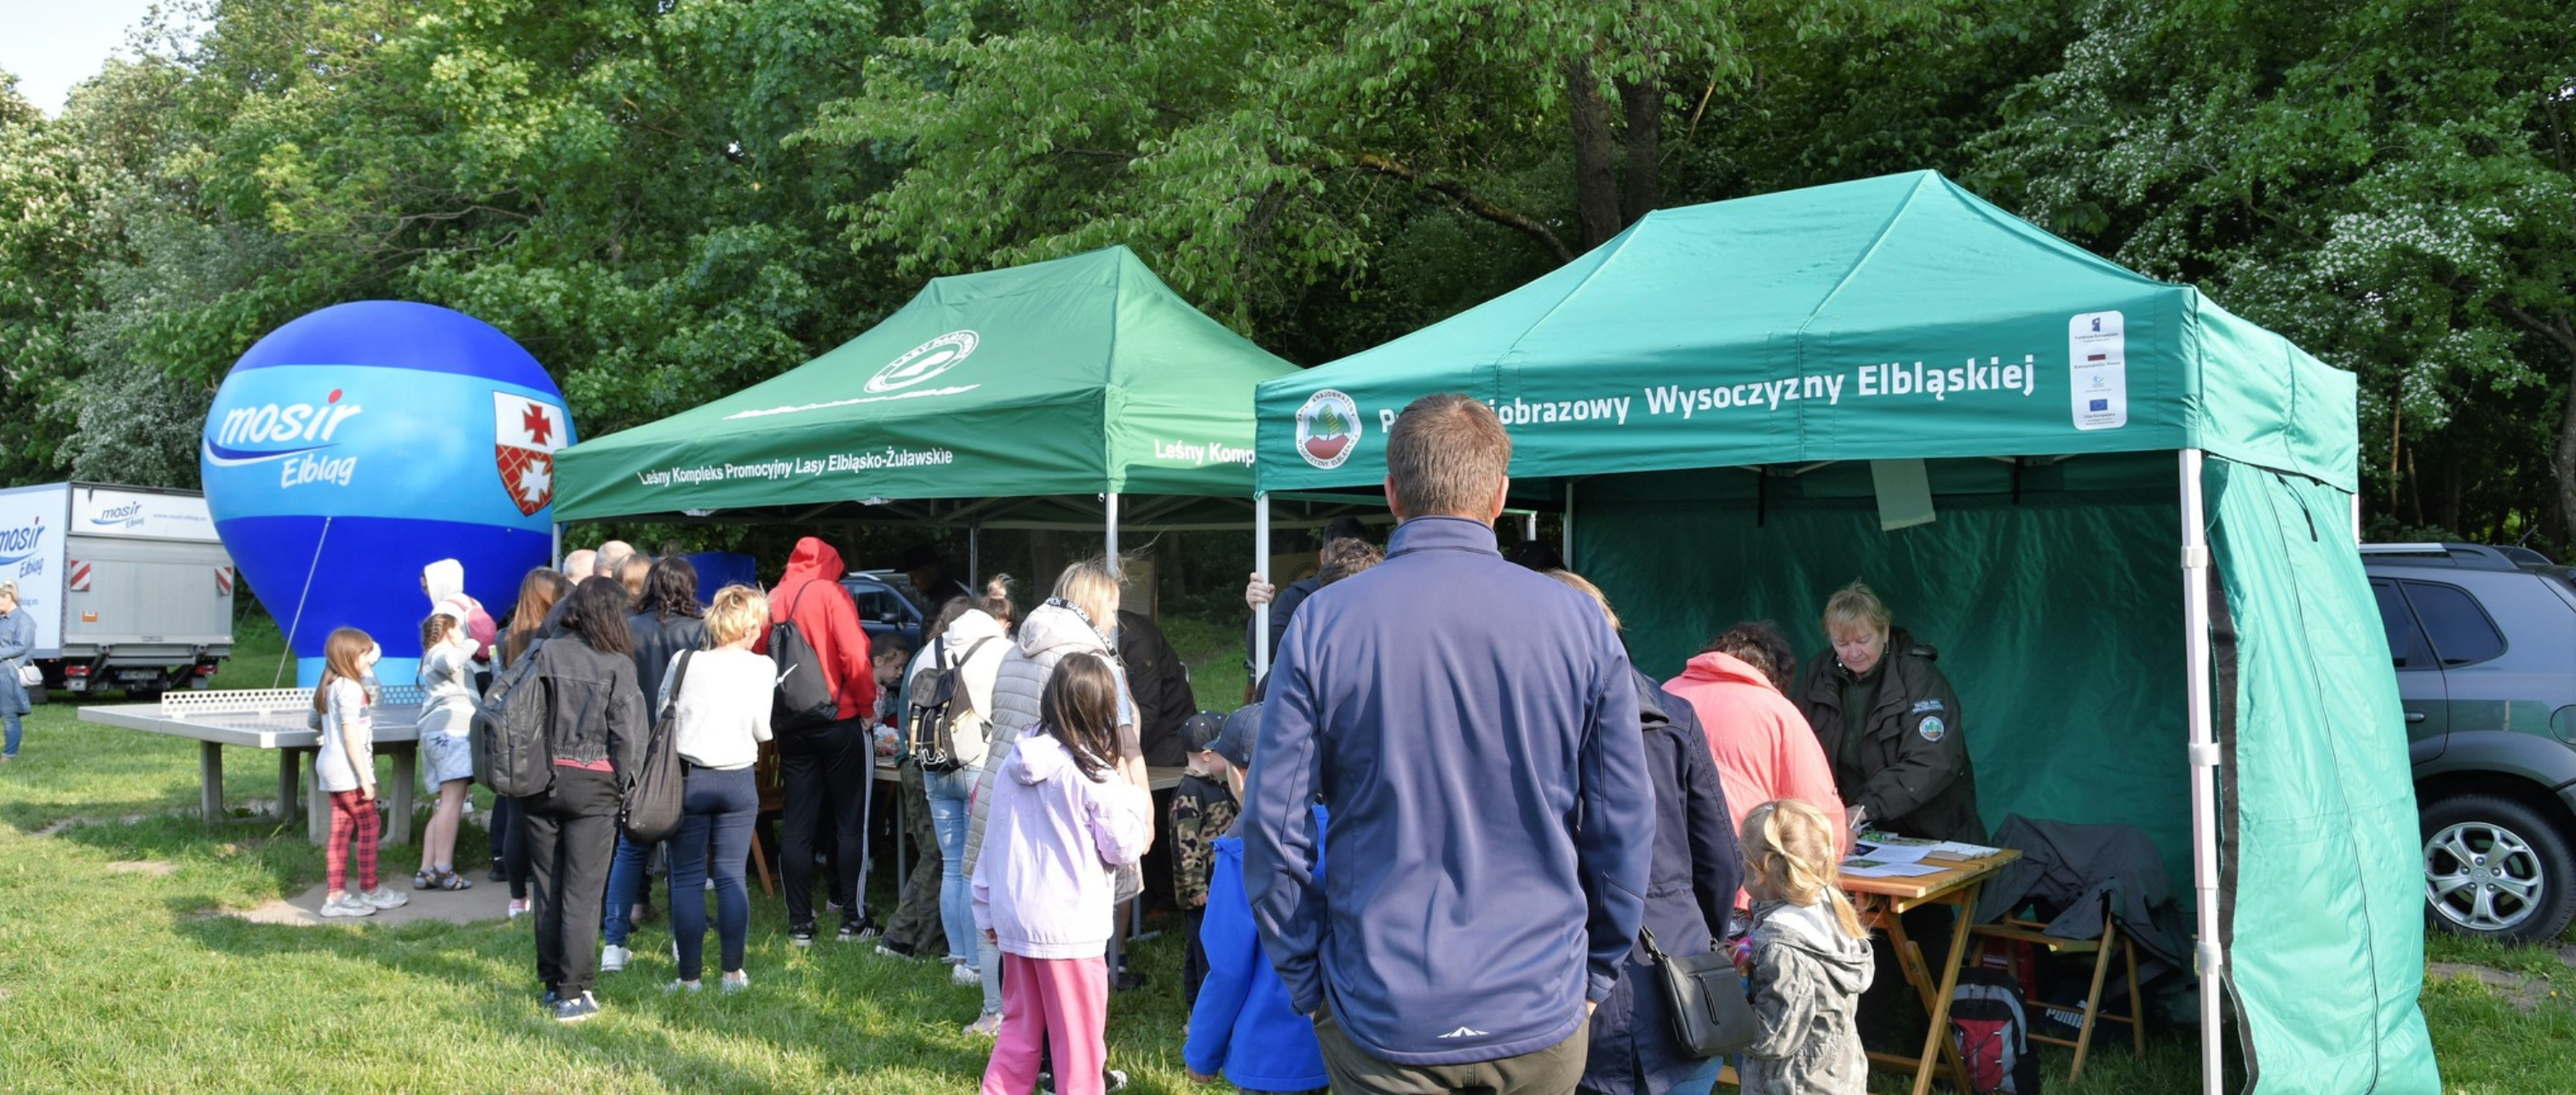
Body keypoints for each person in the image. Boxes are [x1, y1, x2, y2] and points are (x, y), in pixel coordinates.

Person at [1245, 393, 1653, 1094]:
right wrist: (1599, 968)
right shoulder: (1579, 623)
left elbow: (1272, 825)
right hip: (1533, 999)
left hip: (1386, 1004)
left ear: (1392, 494)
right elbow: (1623, 821)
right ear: (1499, 496)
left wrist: (1305, 975)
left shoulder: (1324, 623)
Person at [1545, 572, 1743, 1095]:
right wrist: (1698, 930)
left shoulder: (1527, 725)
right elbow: (1721, 857)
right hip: (1666, 973)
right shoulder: (1672, 713)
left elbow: (1720, 858)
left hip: (1588, 980)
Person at [963, 559, 1145, 1037]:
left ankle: (1011, 1028)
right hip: (1073, 811)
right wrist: (1137, 798)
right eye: (1111, 609)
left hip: (1011, 792)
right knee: (1073, 954)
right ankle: (1074, 1057)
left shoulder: (1017, 647)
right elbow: (1119, 743)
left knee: (1014, 938)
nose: (1113, 622)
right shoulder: (1090, 659)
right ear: (1093, 604)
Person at [973, 654, 1156, 1095]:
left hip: (1016, 920)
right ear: (1102, 709)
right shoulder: (1092, 773)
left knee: (1018, 1034)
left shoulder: (1012, 763)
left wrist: (987, 911)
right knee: (1080, 1046)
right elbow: (1124, 846)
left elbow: (992, 843)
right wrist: (1138, 801)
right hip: (1069, 930)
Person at [1183, 704, 1328, 1095]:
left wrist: (1201, 1051)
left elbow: (1227, 967)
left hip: (1268, 1053)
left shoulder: (1240, 853)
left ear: (1241, 775)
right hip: (1335, 1044)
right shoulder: (1338, 829)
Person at [521, 579, 647, 1023]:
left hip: (537, 781)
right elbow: (630, 737)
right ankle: (573, 994)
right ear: (614, 615)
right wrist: (626, 787)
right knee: (582, 892)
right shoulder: (618, 664)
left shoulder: (541, 653)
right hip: (594, 786)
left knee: (549, 886)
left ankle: (554, 982)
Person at [759, 535, 881, 946]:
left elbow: (759, 657)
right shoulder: (831, 593)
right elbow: (855, 656)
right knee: (851, 821)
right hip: (840, 717)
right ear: (831, 562)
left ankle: (799, 924)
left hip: (791, 725)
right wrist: (867, 707)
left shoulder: (774, 597)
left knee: (797, 823)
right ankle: (853, 918)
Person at [1665, 620, 1847, 894]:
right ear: (1774, 675)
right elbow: (1816, 812)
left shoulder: (1663, 695)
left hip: (1662, 874)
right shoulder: (1776, 710)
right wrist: (1835, 856)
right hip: (1744, 881)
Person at [1792, 580, 1981, 844]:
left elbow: (1933, 759)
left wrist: (1865, 808)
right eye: (1842, 643)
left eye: (1862, 640)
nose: (1853, 652)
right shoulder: (1818, 673)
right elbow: (1799, 751)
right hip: (1854, 832)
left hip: (1930, 833)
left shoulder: (1917, 675)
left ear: (1884, 631)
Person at [660, 584, 774, 994]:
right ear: (750, 626)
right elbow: (763, 731)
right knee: (731, 877)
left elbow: (663, 712)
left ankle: (689, 977)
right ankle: (732, 974)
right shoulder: (763, 668)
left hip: (690, 777)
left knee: (688, 878)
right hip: (738, 778)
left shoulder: (685, 660)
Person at [601, 556, 711, 971]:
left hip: (636, 745)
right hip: (685, 748)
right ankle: (684, 943)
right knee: (686, 852)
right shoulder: (702, 631)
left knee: (631, 846)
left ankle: (615, 940)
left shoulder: (628, 629)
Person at [918, 579, 1015, 1001]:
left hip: (934, 764)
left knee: (952, 863)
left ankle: (958, 958)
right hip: (979, 762)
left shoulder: (933, 648)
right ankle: (980, 963)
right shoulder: (1001, 651)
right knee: (979, 870)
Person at [1737, 799, 1873, 1095]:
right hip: (1838, 1076)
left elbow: (1774, 1037)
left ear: (1759, 871)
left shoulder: (1781, 945)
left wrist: (1725, 1010)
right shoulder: (1829, 910)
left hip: (1794, 1084)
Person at [492, 567, 572, 917]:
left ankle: (515, 897)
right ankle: (548, 889)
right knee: (547, 818)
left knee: (514, 817)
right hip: (548, 729)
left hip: (512, 731)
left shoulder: (505, 637)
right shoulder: (555, 636)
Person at [313, 628, 407, 918]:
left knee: (340, 831)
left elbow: (313, 720)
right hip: (349, 770)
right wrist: (366, 778)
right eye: (365, 653)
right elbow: (351, 736)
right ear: (352, 657)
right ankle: (371, 889)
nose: (371, 657)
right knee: (369, 825)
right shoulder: (351, 689)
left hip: (329, 766)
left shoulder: (328, 685)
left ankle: (336, 896)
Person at [1239, 516, 1369, 700]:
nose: (1346, 564)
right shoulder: (1297, 598)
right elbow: (1268, 654)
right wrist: (1258, 612)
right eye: (1339, 557)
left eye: (1354, 557)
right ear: (1324, 557)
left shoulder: (1378, 597)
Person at [1169, 711, 1235, 1011]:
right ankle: (1199, 1012)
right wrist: (1196, 889)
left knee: (1207, 948)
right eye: (1227, 753)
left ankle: (1202, 1009)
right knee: (1201, 952)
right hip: (1202, 891)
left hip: (1218, 885)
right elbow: (1185, 845)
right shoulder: (1189, 793)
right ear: (1208, 755)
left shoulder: (1216, 785)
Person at [411, 614, 480, 891]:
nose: (463, 633)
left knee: (445, 802)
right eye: (459, 629)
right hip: (450, 731)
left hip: (438, 733)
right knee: (454, 800)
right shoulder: (441, 652)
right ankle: (443, 869)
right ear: (449, 631)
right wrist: (477, 641)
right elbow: (451, 661)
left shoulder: (432, 654)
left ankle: (426, 869)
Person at [420, 558, 497, 666]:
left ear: (439, 584)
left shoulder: (442, 608)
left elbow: (443, 651)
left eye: (426, 587)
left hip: (463, 672)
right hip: (484, 666)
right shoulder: (474, 603)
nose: (425, 593)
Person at [0, 582, 35, 761]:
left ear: (8, 597)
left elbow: (22, 647)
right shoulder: (2, 619)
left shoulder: (24, 620)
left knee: (9, 715)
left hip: (9, 676)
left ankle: (9, 755)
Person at [902, 544, 977, 608]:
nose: (911, 583)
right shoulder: (937, 598)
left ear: (932, 570)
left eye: (914, 575)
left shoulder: (955, 602)